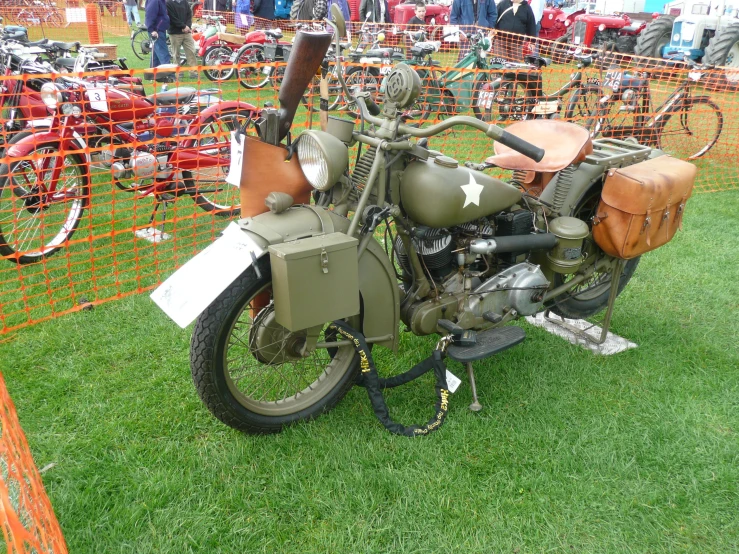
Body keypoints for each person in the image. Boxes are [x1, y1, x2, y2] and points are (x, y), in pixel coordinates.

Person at [166, 0, 198, 78]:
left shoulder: (184, 2)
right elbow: (172, 18)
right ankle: (178, 72)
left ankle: (193, 72)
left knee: (192, 52)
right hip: (175, 32)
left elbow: (189, 14)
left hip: (186, 33)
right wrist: (183, 26)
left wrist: (187, 26)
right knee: (176, 54)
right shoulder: (168, 3)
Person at [145, 0, 171, 67]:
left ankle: (153, 74)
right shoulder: (155, 1)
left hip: (160, 29)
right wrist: (152, 30)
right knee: (164, 55)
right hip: (157, 31)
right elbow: (150, 15)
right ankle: (169, 75)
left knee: (156, 56)